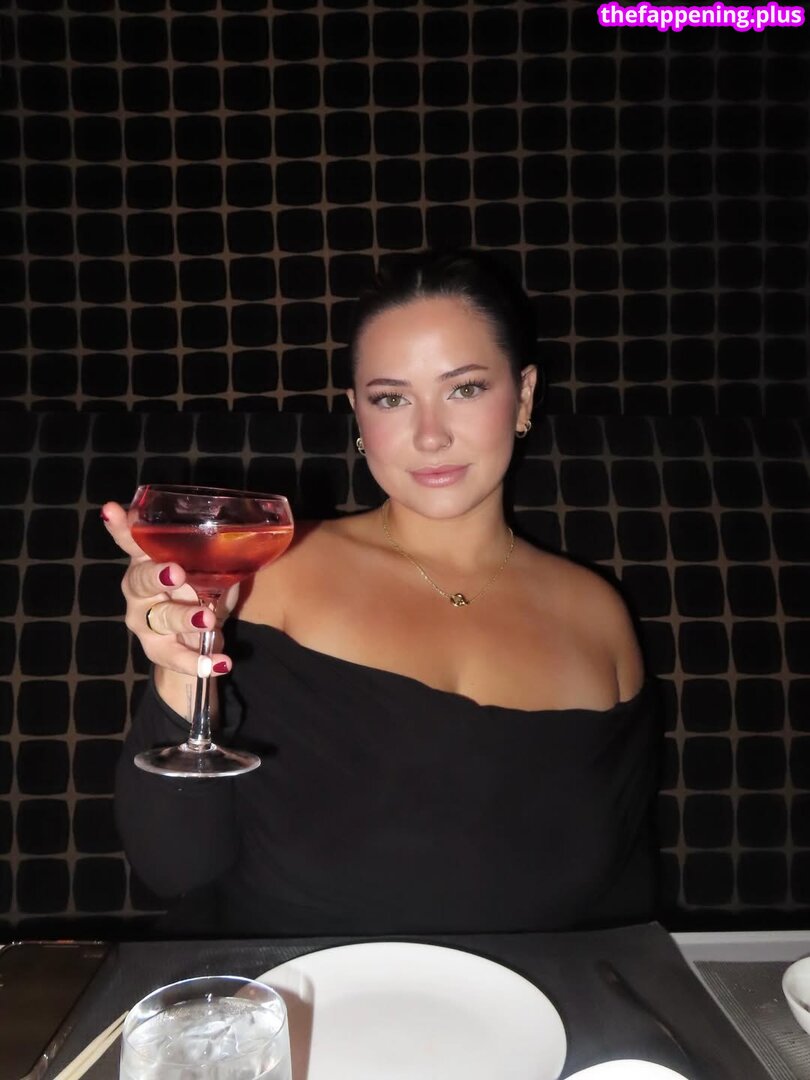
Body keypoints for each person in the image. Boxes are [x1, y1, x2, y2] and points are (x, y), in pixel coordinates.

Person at [105, 250, 657, 937]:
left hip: (532, 1002)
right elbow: (175, 867)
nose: (430, 434)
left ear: (523, 396)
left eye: (465, 389)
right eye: (391, 398)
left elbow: (624, 896)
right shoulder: (267, 572)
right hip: (294, 994)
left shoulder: (598, 614)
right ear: (358, 415)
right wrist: (181, 667)